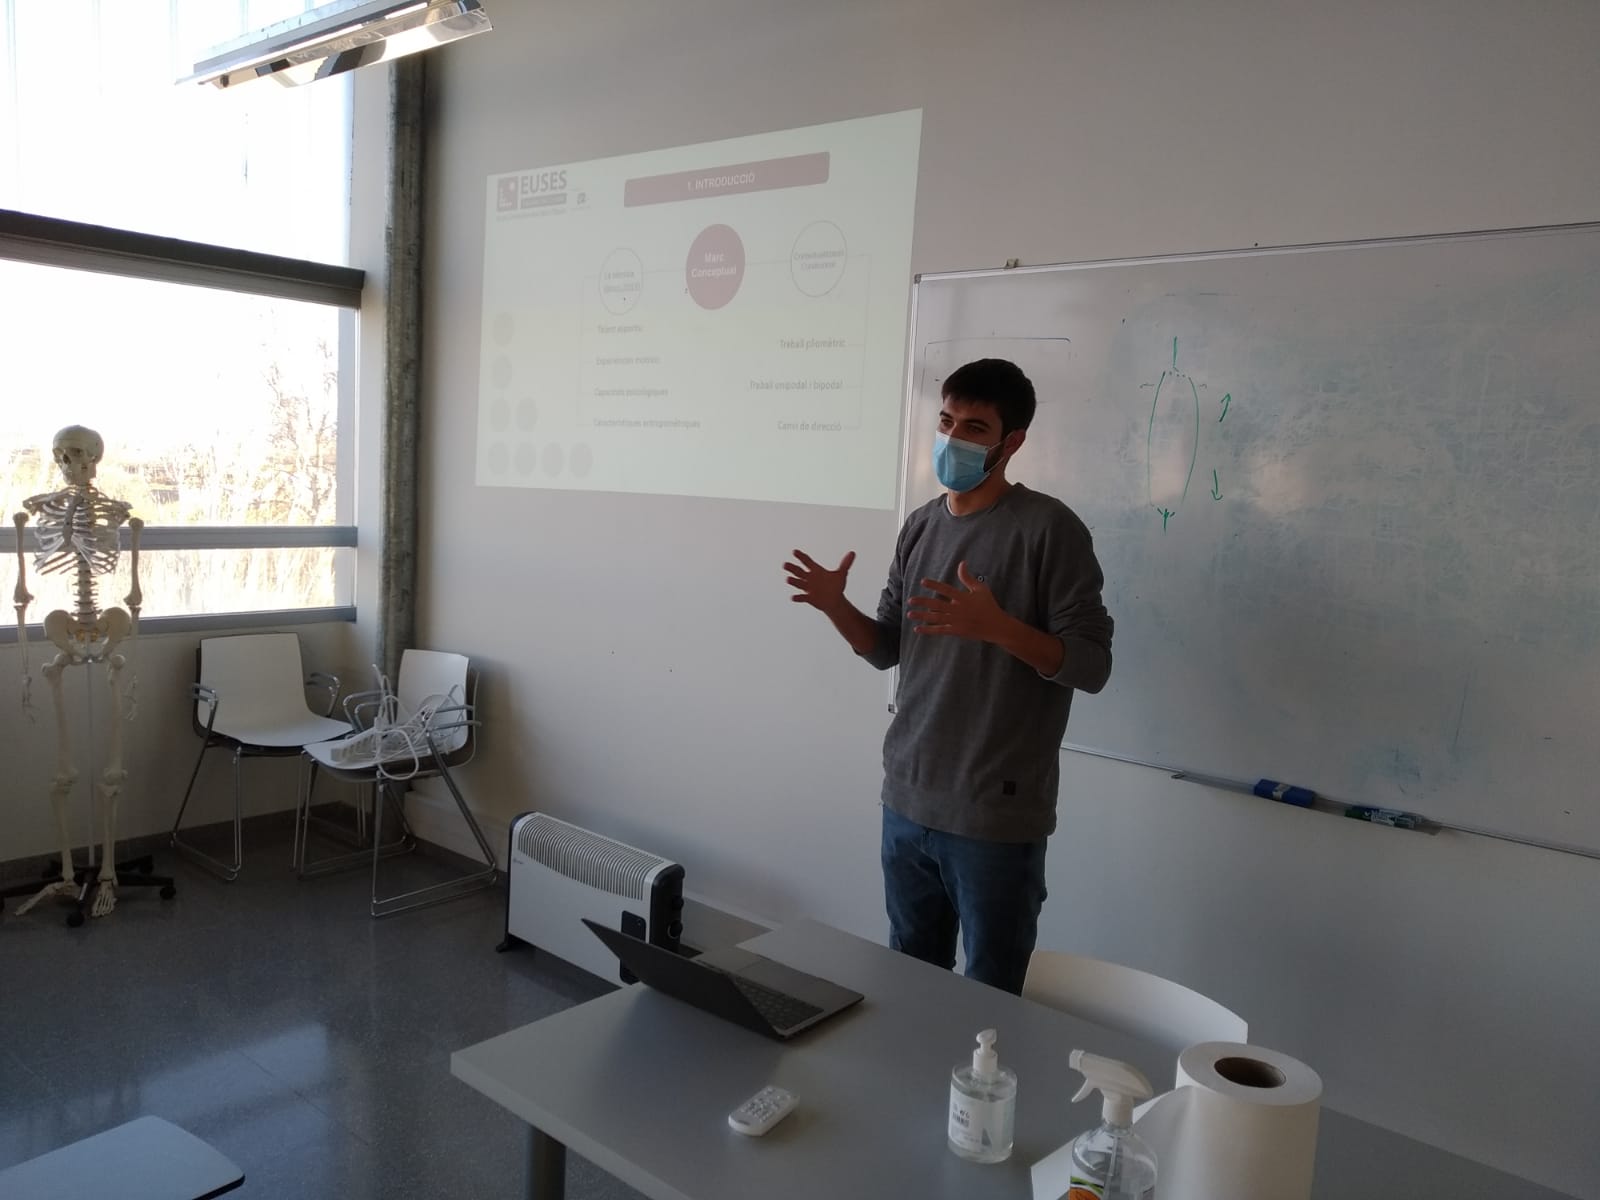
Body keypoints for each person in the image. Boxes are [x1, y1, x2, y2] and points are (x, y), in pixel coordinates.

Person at [785, 358, 1113, 995]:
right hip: (907, 798)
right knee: (909, 985)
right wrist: (835, 607)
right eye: (946, 422)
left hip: (994, 815)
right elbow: (886, 648)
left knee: (990, 999)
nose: (953, 438)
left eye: (974, 428)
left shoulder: (1049, 529)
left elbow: (1092, 665)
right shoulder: (921, 525)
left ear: (1012, 442)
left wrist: (999, 627)